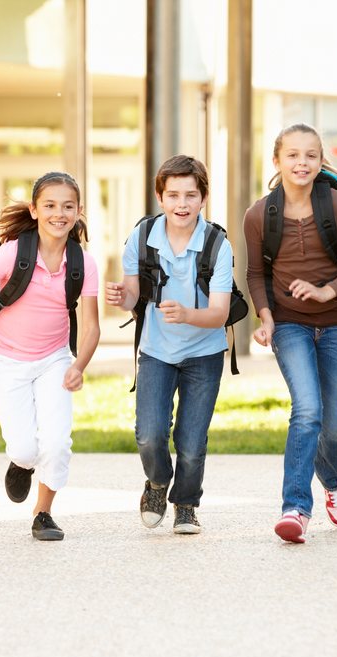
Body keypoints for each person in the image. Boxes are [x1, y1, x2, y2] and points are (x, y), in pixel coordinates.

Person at [0, 172, 99, 541]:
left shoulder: (83, 263)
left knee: (56, 443)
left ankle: (43, 513)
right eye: (50, 205)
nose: (59, 213)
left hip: (55, 359)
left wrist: (78, 365)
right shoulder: (13, 253)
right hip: (9, 360)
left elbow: (92, 328)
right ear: (34, 210)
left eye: (68, 206)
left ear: (78, 211)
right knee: (25, 449)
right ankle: (22, 463)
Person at [244, 123, 337, 543]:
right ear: (277, 161)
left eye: (311, 155)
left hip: (335, 325)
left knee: (335, 425)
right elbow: (256, 273)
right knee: (307, 410)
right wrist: (266, 317)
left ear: (320, 161)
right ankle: (295, 508)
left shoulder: (335, 205)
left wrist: (326, 291)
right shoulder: (259, 215)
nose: (302, 162)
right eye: (293, 155)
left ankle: (334, 481)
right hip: (288, 324)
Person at [105, 155, 231, 535]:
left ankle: (186, 504)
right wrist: (121, 298)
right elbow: (133, 295)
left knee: (191, 443)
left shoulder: (217, 245)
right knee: (149, 433)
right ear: (160, 197)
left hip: (204, 354)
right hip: (157, 350)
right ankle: (157, 483)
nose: (182, 204)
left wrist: (187, 314)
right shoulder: (142, 237)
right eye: (173, 195)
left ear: (204, 198)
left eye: (190, 195)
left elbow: (220, 314)